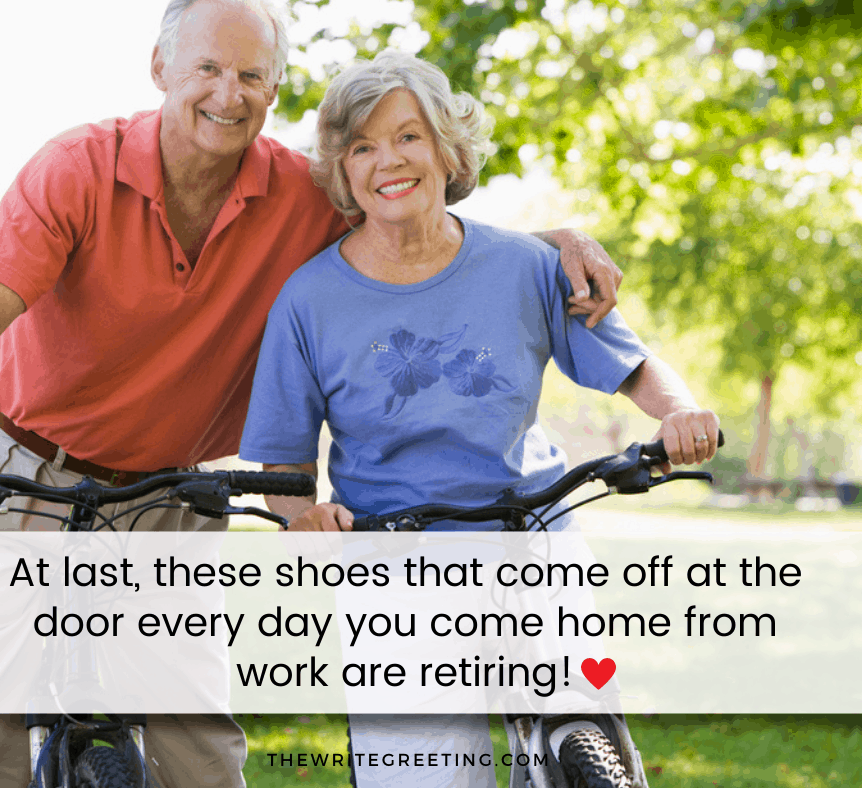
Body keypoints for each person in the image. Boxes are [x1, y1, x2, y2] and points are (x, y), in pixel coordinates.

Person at [0, 2, 628, 786]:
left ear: (274, 91)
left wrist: (553, 245)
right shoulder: (76, 169)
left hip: (173, 487)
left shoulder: (300, 195)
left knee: (193, 731)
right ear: (161, 69)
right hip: (26, 465)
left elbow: (417, 232)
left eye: (251, 75)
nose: (228, 93)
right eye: (207, 69)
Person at [237, 50, 721, 787]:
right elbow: (282, 462)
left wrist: (681, 411)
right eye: (362, 146)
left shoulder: (526, 265)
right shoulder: (307, 301)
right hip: (394, 567)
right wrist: (303, 516)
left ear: (446, 149)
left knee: (591, 739)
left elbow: (634, 366)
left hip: (532, 535)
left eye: (408, 136)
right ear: (341, 170)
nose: (388, 161)